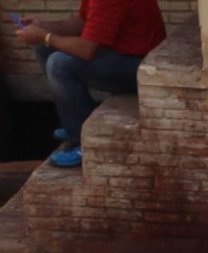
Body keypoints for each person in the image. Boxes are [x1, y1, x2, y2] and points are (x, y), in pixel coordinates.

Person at [9, 0, 162, 170]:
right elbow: (82, 22)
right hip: (123, 54)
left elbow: (86, 49)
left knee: (59, 64)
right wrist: (43, 26)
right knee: (44, 49)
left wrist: (45, 36)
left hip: (141, 67)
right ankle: (74, 121)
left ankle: (84, 143)